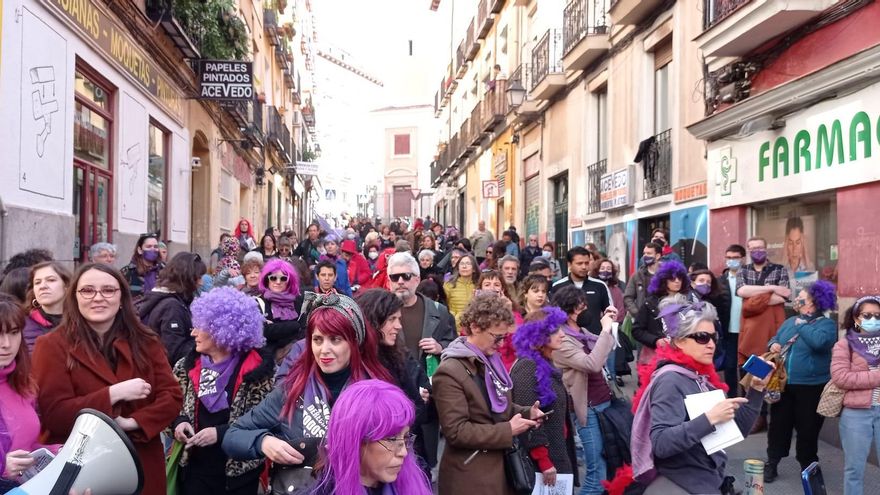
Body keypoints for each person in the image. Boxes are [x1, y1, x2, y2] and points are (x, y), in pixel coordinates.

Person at [32, 263, 183, 495]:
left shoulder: (146, 341)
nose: (98, 297)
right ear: (75, 297)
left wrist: (133, 422)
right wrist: (113, 394)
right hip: (85, 472)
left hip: (142, 464)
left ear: (121, 297)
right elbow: (55, 415)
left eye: (108, 290)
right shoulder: (51, 345)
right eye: (87, 290)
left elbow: (172, 397)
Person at [222, 293, 393, 493]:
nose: (324, 349)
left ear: (355, 341)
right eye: (317, 340)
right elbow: (233, 435)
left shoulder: (378, 393)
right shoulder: (292, 391)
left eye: (335, 339)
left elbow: (399, 451)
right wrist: (263, 442)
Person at [626, 296, 771, 495]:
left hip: (710, 480)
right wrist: (709, 418)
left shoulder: (700, 376)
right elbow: (660, 443)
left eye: (714, 337)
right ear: (679, 341)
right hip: (683, 484)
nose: (711, 344)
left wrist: (756, 390)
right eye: (702, 337)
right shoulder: (670, 380)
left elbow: (735, 431)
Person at [432, 293, 546, 495]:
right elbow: (456, 431)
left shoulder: (490, 359)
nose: (501, 344)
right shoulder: (450, 370)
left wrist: (526, 413)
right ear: (475, 327)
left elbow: (496, 407)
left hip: (499, 471)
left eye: (504, 338)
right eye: (497, 337)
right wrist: (508, 430)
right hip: (471, 478)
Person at [170, 287, 274, 495]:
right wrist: (178, 422)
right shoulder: (185, 367)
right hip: (194, 473)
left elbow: (265, 421)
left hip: (238, 477)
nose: (193, 333)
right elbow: (170, 405)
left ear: (222, 330)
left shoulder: (259, 372)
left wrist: (220, 433)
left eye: (200, 327)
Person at [386, 252, 457, 473]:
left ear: (417, 279)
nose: (400, 281)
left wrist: (440, 347)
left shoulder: (438, 311)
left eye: (406, 276)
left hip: (428, 394)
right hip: (392, 393)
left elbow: (454, 344)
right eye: (395, 277)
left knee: (425, 458)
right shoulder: (380, 311)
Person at [763, 280, 837, 483]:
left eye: (801, 297)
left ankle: (809, 465)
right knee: (778, 426)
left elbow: (820, 343)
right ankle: (772, 462)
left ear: (813, 301)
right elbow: (775, 338)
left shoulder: (826, 325)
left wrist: (803, 325)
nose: (797, 300)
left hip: (812, 387)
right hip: (784, 384)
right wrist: (773, 343)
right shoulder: (790, 321)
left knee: (808, 429)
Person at [311, 380, 433, 495]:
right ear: (354, 441)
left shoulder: (414, 482)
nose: (404, 453)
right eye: (391, 439)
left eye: (405, 438)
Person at [551, 286, 617, 494]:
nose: (586, 311)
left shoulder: (582, 333)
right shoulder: (562, 341)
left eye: (585, 306)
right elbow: (592, 364)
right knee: (596, 473)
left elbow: (605, 350)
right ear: (567, 313)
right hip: (587, 409)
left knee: (607, 463)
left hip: (602, 402)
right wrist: (605, 330)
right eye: (580, 309)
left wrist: (608, 325)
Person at [356, 289, 430, 466]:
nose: (399, 326)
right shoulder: (356, 363)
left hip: (407, 452)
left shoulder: (397, 356)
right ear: (373, 321)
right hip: (373, 459)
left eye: (398, 319)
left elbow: (417, 408)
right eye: (391, 319)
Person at [511, 307, 579, 490]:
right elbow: (528, 420)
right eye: (555, 330)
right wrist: (544, 461)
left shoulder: (546, 362)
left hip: (557, 450)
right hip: (544, 461)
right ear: (539, 335)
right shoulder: (527, 366)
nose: (562, 334)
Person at [0, 295, 60, 493]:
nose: (6, 343)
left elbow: (26, 444)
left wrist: (55, 452)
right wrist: (2, 466)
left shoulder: (24, 385)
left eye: (14, 332)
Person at [736, 237, 790, 433]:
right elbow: (742, 291)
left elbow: (784, 296)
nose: (757, 251)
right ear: (748, 250)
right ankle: (755, 416)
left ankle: (770, 416)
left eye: (760, 247)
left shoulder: (779, 269)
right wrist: (771, 288)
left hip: (772, 328)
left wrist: (755, 296)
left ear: (766, 249)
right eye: (753, 248)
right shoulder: (744, 270)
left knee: (771, 367)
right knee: (750, 368)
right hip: (750, 330)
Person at [831, 295, 880, 495]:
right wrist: (877, 376)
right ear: (856, 318)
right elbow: (841, 377)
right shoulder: (845, 345)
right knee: (854, 469)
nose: (873, 319)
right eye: (867, 315)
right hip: (856, 414)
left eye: (878, 315)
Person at [137, 252, 207, 366]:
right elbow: (174, 352)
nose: (201, 282)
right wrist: (205, 344)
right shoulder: (172, 307)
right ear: (187, 278)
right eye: (198, 278)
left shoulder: (175, 300)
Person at [632, 260, 690, 366]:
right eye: (672, 278)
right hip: (657, 356)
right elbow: (637, 330)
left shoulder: (688, 302)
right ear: (663, 280)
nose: (677, 281)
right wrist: (656, 340)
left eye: (680, 278)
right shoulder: (650, 303)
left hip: (682, 354)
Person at [551, 246, 613, 336]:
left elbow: (609, 312)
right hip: (567, 339)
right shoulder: (558, 287)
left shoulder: (600, 286)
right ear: (569, 264)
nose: (584, 267)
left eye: (587, 263)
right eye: (579, 263)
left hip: (596, 338)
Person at [255, 259, 304, 362]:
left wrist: (274, 329)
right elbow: (262, 331)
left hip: (296, 359)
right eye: (273, 278)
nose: (278, 282)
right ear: (267, 280)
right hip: (268, 362)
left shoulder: (298, 301)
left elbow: (304, 330)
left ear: (289, 281)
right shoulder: (258, 302)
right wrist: (294, 326)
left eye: (283, 278)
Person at [592, 258, 629, 385]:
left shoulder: (616, 290)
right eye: (602, 268)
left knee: (610, 360)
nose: (605, 271)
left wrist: (610, 321)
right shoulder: (594, 287)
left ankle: (612, 385)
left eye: (608, 268)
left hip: (611, 330)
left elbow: (620, 310)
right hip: (594, 329)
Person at [22, 261, 71, 353]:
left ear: (66, 285)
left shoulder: (82, 322)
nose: (43, 286)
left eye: (51, 280)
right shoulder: (22, 324)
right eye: (37, 282)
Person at [721, 244, 746, 395]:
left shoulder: (750, 279)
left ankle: (748, 399)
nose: (732, 260)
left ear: (743, 259)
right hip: (729, 331)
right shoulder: (720, 281)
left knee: (747, 367)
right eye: (729, 257)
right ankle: (731, 398)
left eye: (735, 257)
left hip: (747, 331)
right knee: (729, 367)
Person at [121, 233, 164, 302]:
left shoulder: (165, 271)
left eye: (155, 247)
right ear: (140, 250)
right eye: (148, 246)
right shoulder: (127, 272)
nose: (153, 249)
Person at [623, 242, 662, 319]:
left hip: (662, 317)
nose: (645, 256)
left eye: (649, 253)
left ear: (657, 256)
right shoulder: (637, 276)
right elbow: (628, 298)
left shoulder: (667, 274)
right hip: (642, 319)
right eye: (644, 253)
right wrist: (637, 313)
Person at [443, 253, 479, 324]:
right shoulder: (449, 284)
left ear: (474, 269)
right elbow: (444, 305)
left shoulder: (478, 285)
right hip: (455, 324)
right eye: (462, 264)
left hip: (474, 323)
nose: (464, 266)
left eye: (468, 264)